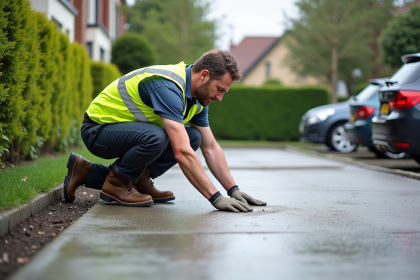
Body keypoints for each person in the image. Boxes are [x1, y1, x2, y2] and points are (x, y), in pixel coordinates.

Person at [64, 50, 266, 213]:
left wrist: (233, 189)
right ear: (204, 75)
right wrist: (215, 197)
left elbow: (210, 147)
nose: (220, 97)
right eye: (220, 89)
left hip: (123, 134)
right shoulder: (168, 87)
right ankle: (117, 183)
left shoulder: (197, 99)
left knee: (193, 136)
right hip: (98, 131)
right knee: (158, 137)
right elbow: (182, 152)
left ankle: (93, 172)